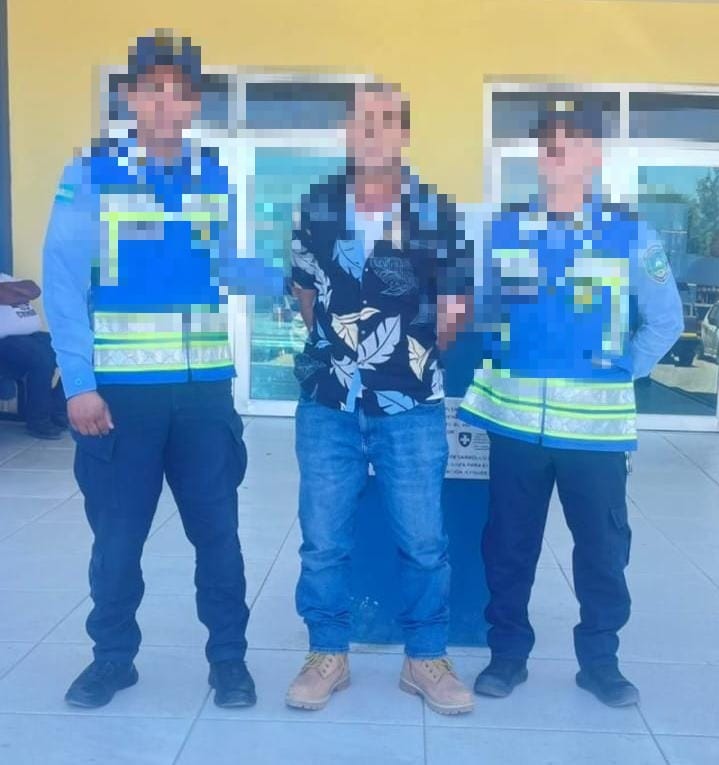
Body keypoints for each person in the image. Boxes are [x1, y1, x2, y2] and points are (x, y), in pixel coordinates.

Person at [43, 30, 281, 710]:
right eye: (152, 91)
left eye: (179, 94)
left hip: (204, 395)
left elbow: (227, 264)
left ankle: (229, 661)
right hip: (121, 399)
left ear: (194, 103)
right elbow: (63, 280)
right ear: (130, 97)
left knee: (220, 538)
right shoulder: (91, 173)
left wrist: (289, 276)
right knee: (118, 543)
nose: (165, 106)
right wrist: (80, 383)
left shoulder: (211, 174)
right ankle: (112, 659)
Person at [458, 100, 684, 707]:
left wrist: (627, 368)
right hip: (515, 428)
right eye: (548, 145)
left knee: (603, 551)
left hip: (594, 430)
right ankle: (508, 654)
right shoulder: (506, 230)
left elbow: (666, 319)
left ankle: (600, 662)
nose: (557, 155)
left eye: (572, 143)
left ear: (594, 155)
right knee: (508, 546)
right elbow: (481, 310)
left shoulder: (629, 234)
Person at [286, 81, 474, 716]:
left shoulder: (436, 211)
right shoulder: (316, 207)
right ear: (348, 129)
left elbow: (456, 304)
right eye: (364, 119)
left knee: (424, 541)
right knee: (322, 540)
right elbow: (305, 291)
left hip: (411, 406)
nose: (373, 131)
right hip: (328, 403)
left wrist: (407, 359)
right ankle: (327, 655)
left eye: (387, 119)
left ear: (404, 133)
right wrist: (343, 355)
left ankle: (426, 660)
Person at [0, 273, 67, 437]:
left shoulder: (5, 277)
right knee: (42, 358)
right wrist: (19, 293)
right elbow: (4, 295)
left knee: (72, 349)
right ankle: (38, 421)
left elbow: (34, 289)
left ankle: (58, 410)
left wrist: (9, 290)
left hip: (32, 336)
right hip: (5, 340)